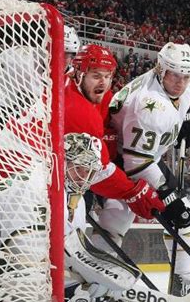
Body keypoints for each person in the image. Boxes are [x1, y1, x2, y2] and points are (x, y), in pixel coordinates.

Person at [99, 42, 190, 302]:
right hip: (119, 156)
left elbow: (184, 94)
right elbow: (136, 163)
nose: (181, 82)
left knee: (115, 220)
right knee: (175, 212)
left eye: (186, 76)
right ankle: (180, 283)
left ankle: (102, 291)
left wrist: (187, 117)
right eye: (174, 75)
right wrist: (168, 194)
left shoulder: (179, 83)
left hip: (135, 151)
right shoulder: (151, 105)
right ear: (160, 69)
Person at [64, 44, 169, 222]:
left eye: (107, 76)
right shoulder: (78, 109)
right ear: (79, 74)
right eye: (96, 76)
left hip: (63, 167)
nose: (103, 83)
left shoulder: (93, 93)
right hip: (28, 175)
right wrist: (133, 192)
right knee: (72, 220)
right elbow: (99, 171)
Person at [63, 133, 143, 302]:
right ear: (64, 161)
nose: (84, 177)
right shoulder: (47, 193)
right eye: (80, 168)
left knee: (114, 289)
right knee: (105, 288)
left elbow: (74, 247)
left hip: (61, 270)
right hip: (37, 275)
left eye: (89, 172)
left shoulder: (78, 200)